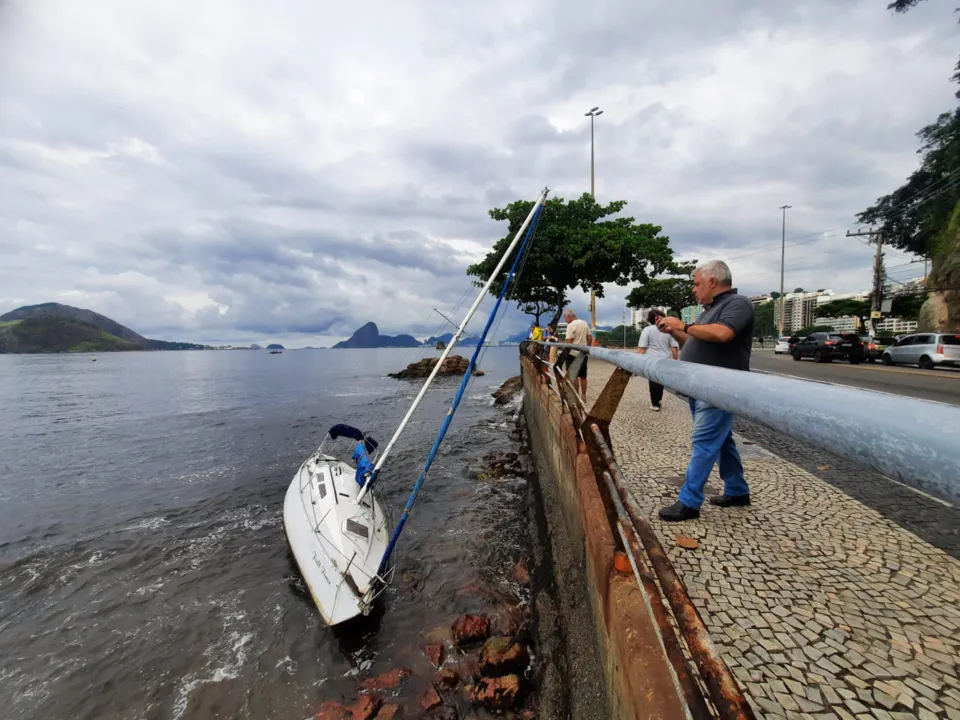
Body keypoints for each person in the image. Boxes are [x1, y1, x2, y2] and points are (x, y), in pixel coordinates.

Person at [653, 260, 754, 522]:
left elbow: (722, 334)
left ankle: (689, 502)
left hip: (718, 386)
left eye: (697, 284)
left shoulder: (737, 303)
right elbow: (694, 342)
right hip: (701, 386)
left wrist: (684, 325)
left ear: (713, 281)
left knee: (704, 442)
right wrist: (675, 331)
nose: (694, 290)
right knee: (721, 441)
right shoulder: (709, 310)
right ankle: (737, 490)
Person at [637, 309, 679, 411]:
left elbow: (642, 347)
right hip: (665, 360)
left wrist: (636, 362)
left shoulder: (647, 330)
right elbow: (674, 347)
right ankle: (659, 400)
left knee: (653, 381)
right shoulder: (669, 329)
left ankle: (655, 404)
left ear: (649, 319)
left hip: (652, 359)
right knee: (660, 381)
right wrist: (675, 359)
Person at [562, 309, 592, 401]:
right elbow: (589, 337)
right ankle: (583, 396)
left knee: (574, 376)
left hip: (572, 354)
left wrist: (566, 352)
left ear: (569, 316)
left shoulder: (571, 325)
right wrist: (587, 348)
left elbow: (569, 341)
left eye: (565, 317)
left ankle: (577, 396)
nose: (565, 320)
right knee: (583, 376)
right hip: (583, 353)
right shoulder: (584, 323)